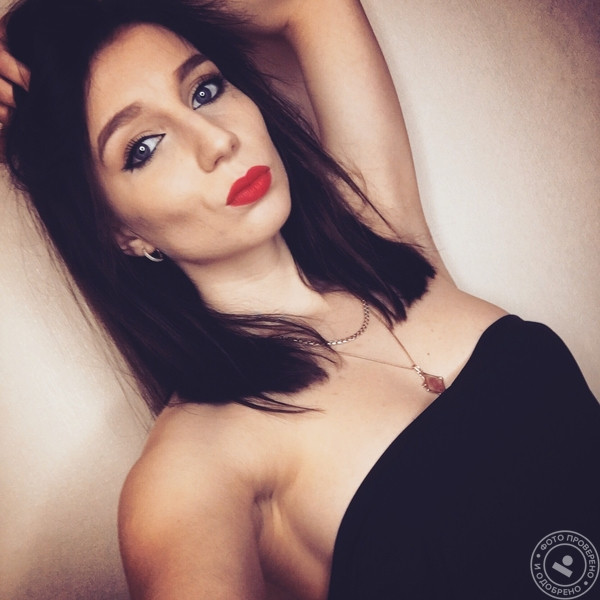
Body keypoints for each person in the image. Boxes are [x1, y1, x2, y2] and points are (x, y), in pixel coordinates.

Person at [1, 0, 598, 598]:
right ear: (119, 232)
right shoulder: (196, 466)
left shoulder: (385, 235)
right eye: (144, 146)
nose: (217, 140)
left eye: (205, 91)